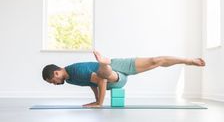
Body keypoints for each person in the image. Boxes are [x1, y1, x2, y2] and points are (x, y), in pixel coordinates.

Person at [42, 51, 205, 108]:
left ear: (56, 73)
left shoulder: (75, 70)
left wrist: (99, 103)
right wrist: (95, 99)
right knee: (105, 74)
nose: (54, 84)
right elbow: (91, 83)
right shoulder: (70, 79)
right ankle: (105, 65)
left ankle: (189, 60)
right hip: (115, 77)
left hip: (114, 68)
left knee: (156, 60)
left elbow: (100, 82)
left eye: (52, 81)